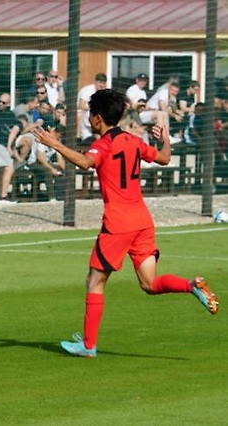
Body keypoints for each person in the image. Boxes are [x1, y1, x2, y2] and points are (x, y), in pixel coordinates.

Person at [33, 89, 219, 358]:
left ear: (98, 118)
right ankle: (191, 286)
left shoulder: (104, 144)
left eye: (90, 115)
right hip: (143, 221)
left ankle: (87, 346)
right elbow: (165, 158)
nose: (89, 120)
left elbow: (85, 162)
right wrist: (165, 140)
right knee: (149, 283)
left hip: (118, 224)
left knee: (94, 280)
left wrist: (56, 144)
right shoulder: (132, 141)